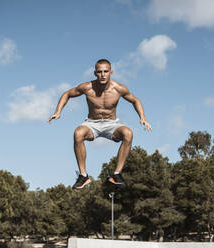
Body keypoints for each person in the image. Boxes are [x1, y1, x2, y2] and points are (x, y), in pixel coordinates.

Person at [48, 59, 152, 189]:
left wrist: (142, 117)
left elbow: (135, 100)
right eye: (99, 72)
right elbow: (67, 94)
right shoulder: (87, 87)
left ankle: (117, 174)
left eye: (105, 71)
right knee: (78, 133)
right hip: (92, 123)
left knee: (128, 133)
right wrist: (57, 112)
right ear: (95, 73)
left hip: (112, 124)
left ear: (111, 72)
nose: (102, 74)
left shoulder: (118, 89)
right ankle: (83, 176)